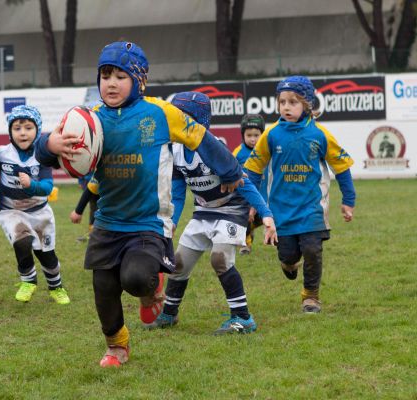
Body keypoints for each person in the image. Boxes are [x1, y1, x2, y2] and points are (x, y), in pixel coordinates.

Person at [36, 41, 245, 367]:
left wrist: (230, 170)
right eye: (105, 75)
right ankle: (117, 345)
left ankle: (152, 287)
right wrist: (48, 144)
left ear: (139, 81)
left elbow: (200, 137)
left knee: (134, 279)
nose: (111, 83)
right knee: (103, 286)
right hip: (108, 222)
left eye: (121, 76)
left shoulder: (160, 112)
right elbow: (49, 145)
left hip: (149, 222)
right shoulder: (92, 119)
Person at [147, 92, 277, 333]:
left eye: (180, 116)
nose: (173, 121)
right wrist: (172, 222)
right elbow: (177, 193)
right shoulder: (174, 150)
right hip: (203, 211)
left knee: (219, 259)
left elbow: (244, 182)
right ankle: (169, 314)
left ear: (196, 121)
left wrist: (266, 215)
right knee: (179, 263)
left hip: (231, 209)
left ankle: (243, 318)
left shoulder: (213, 147)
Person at [244, 75, 356, 314]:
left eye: (293, 102)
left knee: (313, 251)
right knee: (288, 256)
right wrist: (252, 204)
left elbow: (342, 167)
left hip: (312, 209)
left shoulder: (320, 135)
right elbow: (253, 170)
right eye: (282, 101)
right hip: (281, 212)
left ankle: (311, 297)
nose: (286, 106)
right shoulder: (271, 135)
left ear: (307, 104)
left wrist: (349, 201)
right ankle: (289, 264)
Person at [0, 105, 70, 305]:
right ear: (10, 131)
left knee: (46, 255)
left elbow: (47, 187)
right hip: (11, 211)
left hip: (40, 212)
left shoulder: (42, 155)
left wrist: (31, 185)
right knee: (22, 241)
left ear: (37, 130)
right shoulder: (3, 153)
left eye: (28, 127)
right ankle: (28, 280)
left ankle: (56, 287)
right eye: (17, 128)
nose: (22, 133)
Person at [232, 113, 266, 255]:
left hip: (265, 195)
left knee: (270, 217)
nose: (253, 139)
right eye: (249, 135)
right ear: (243, 135)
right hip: (245, 196)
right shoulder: (238, 153)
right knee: (245, 218)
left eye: (256, 135)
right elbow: (231, 171)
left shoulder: (266, 151)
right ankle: (246, 243)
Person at [72, 172, 98, 241]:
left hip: (97, 182)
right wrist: (81, 181)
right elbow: (81, 169)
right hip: (90, 183)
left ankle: (94, 233)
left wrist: (78, 211)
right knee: (93, 208)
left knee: (96, 208)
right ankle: (92, 233)